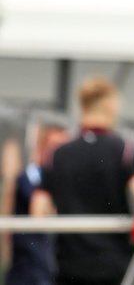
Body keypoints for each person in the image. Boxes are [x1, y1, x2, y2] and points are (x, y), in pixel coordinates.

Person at [31, 79, 134, 285]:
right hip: (113, 266)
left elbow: (38, 211)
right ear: (109, 105)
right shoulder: (123, 149)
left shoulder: (58, 154)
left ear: (82, 106)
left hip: (68, 267)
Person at [1, 120, 69, 285]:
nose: (58, 153)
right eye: (54, 146)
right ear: (41, 147)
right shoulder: (29, 178)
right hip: (28, 268)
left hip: (54, 268)